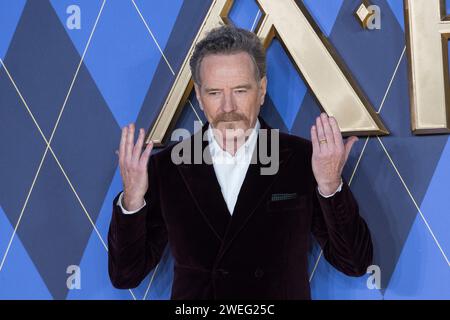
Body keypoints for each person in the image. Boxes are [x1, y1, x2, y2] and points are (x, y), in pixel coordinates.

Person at [108, 25, 373, 300]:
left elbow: (354, 262)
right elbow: (125, 274)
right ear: (199, 96)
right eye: (214, 93)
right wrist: (132, 201)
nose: (227, 107)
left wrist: (330, 185)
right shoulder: (166, 168)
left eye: (240, 90)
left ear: (261, 90)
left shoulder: (305, 160)